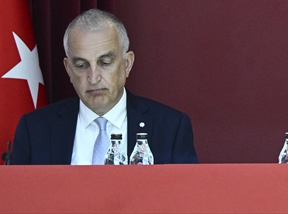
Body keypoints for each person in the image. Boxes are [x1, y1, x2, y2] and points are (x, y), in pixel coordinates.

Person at [10, 9, 197, 164]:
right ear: (68, 69)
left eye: (105, 62)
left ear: (127, 64)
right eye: (81, 65)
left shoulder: (170, 128)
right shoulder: (35, 129)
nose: (93, 78)